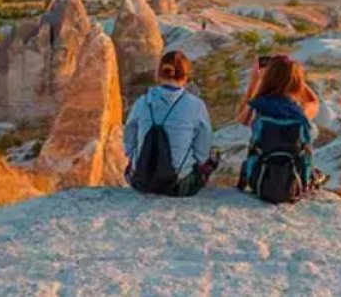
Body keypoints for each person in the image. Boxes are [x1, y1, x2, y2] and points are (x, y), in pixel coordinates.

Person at [123, 51, 218, 197]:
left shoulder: (142, 102)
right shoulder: (196, 105)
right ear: (186, 77)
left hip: (142, 181)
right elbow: (202, 153)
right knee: (213, 155)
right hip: (176, 185)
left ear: (158, 75)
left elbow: (128, 143)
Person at [236, 55, 324, 204]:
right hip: (294, 183)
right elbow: (313, 101)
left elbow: (242, 118)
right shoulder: (300, 112)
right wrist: (293, 77)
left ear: (268, 78)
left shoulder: (259, 107)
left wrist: (255, 82)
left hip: (259, 182)